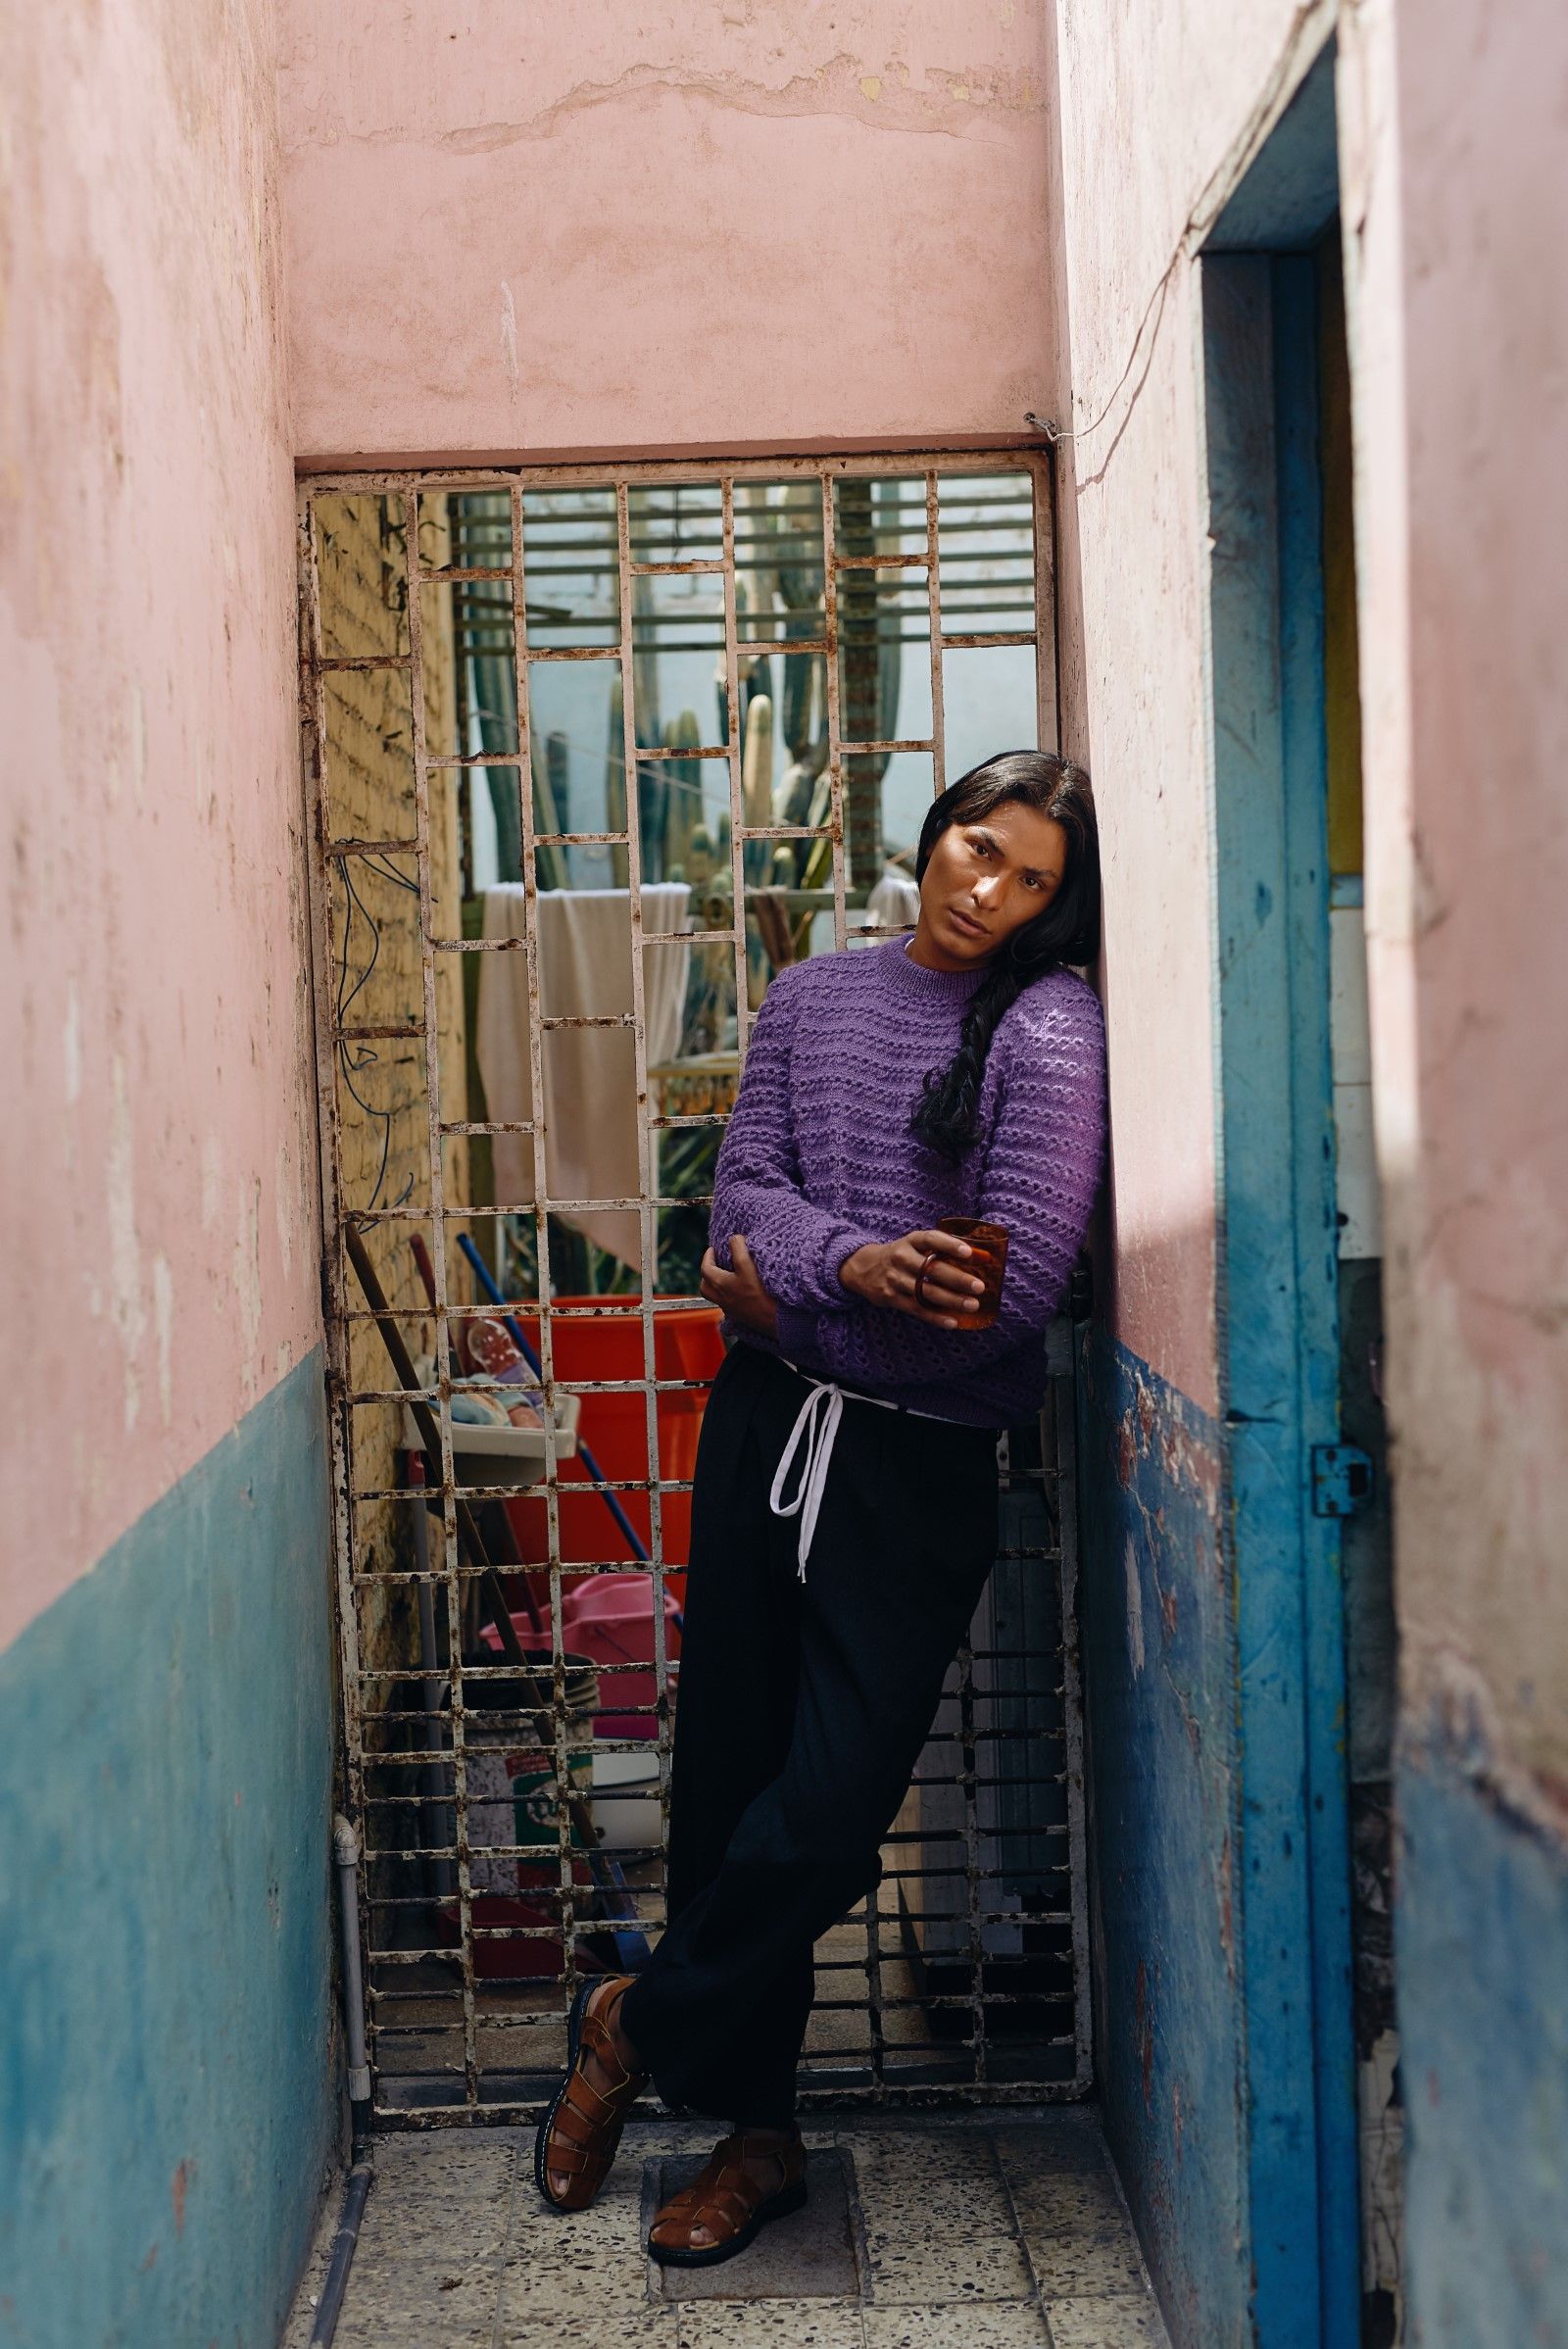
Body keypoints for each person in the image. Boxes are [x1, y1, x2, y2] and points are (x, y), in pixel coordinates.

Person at [534, 750, 1107, 2264]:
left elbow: (1002, 1308)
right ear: (935, 832)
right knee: (730, 1782)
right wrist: (851, 1268)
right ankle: (757, 2135)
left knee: (834, 1804)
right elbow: (739, 1203)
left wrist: (791, 1314)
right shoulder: (811, 998)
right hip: (765, 1431)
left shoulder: (1048, 1028)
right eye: (977, 847)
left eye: (1033, 879)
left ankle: (632, 2018)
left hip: (916, 1464)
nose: (989, 890)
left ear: (1058, 906)